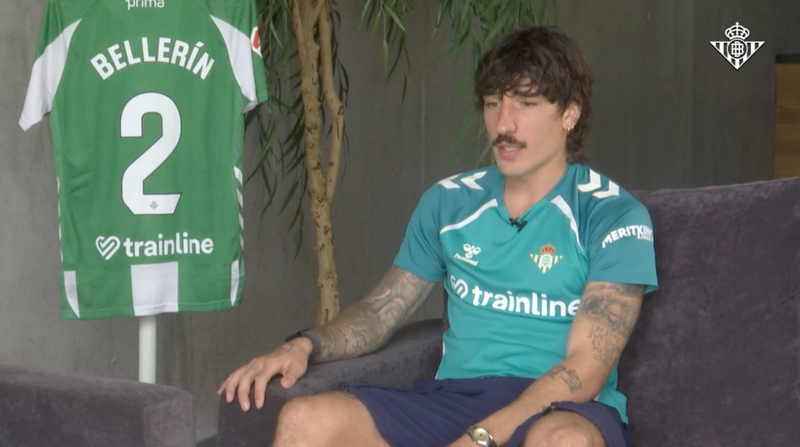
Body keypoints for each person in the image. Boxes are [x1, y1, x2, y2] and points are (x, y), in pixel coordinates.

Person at [218, 25, 658, 447]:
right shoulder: (448, 202)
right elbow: (380, 314)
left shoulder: (613, 214)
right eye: (492, 103)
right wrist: (304, 345)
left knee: (565, 442)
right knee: (305, 421)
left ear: (569, 114)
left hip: (562, 408)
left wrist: (479, 439)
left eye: (526, 104)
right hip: (457, 397)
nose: (503, 124)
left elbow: (587, 368)